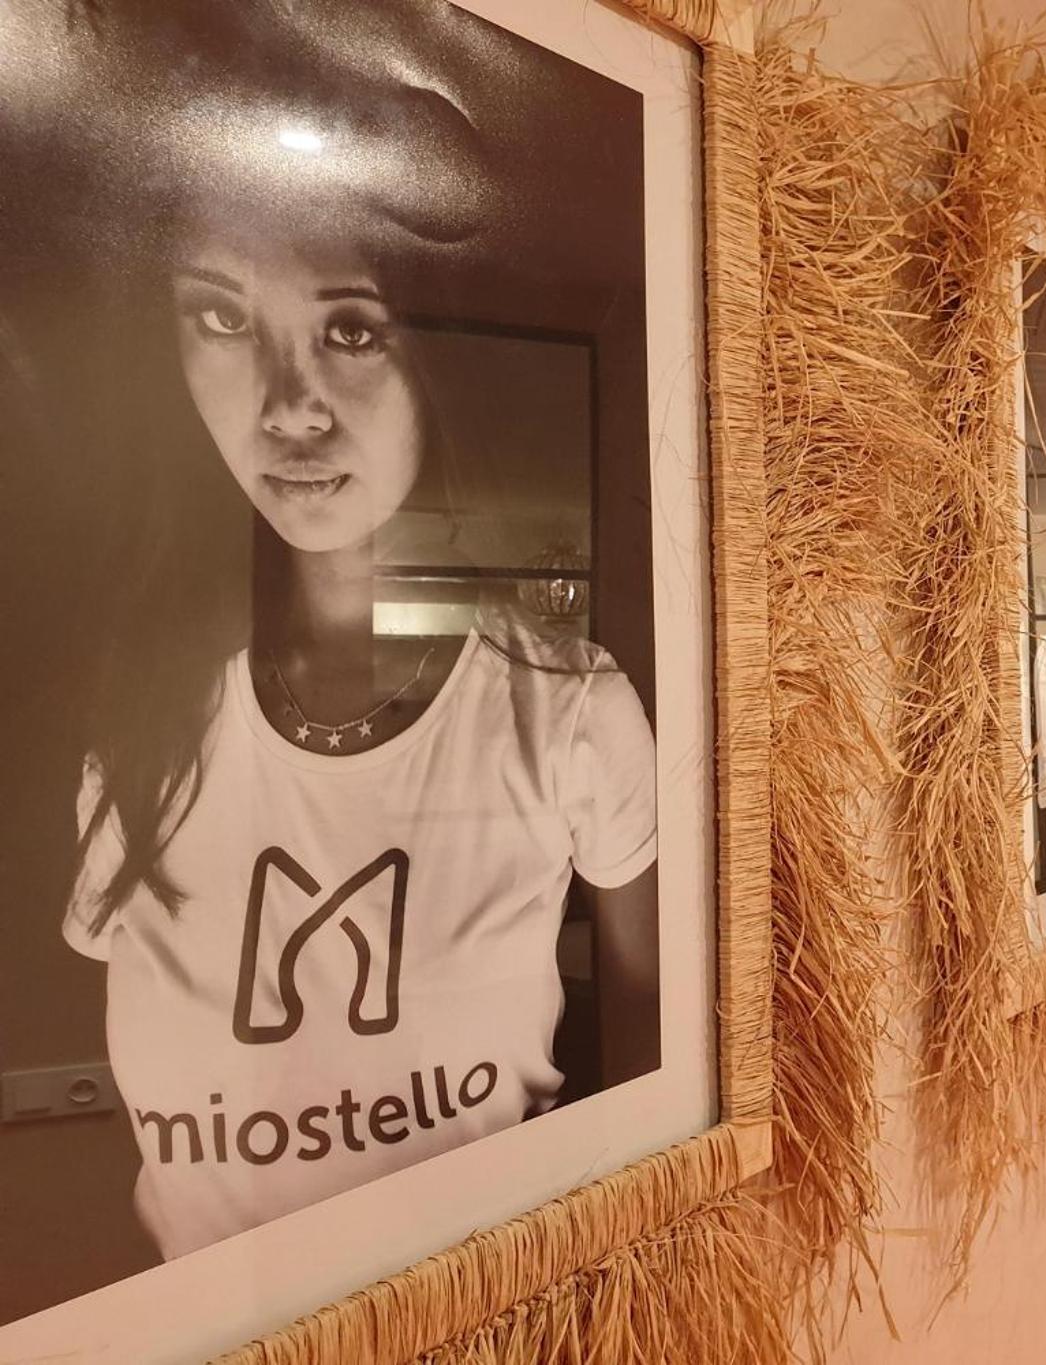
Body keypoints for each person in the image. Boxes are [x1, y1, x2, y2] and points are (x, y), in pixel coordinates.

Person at [60, 190, 660, 1262]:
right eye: (223, 318)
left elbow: (655, 1067)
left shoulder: (565, 711)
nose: (289, 409)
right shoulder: (145, 724)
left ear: (437, 355)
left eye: (350, 329)